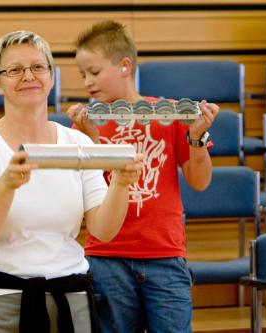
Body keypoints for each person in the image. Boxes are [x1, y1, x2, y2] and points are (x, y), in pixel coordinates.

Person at [0, 30, 143, 333]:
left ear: (51, 77)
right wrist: (7, 185)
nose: (28, 76)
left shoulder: (77, 142)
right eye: (14, 70)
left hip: (70, 299)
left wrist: (121, 183)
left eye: (38, 67)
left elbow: (103, 231)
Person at [66, 20, 220, 333]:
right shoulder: (85, 125)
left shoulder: (171, 113)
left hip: (165, 254)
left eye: (94, 72)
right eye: (82, 74)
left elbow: (200, 181)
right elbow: (84, 187)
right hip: (106, 256)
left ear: (125, 66)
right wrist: (91, 140)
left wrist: (197, 137)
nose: (87, 82)